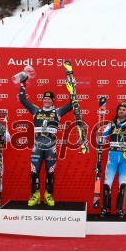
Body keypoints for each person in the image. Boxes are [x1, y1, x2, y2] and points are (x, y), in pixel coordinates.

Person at [18, 76, 73, 207]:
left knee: (50, 172)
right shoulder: (36, 110)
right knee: (34, 172)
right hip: (37, 146)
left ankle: (48, 195)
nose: (46, 101)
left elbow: (72, 105)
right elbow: (22, 99)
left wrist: (71, 89)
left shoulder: (57, 111)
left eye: (49, 99)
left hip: (51, 147)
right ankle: (35, 195)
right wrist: (22, 84)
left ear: (53, 101)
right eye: (45, 99)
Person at [101, 102, 126, 217]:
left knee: (122, 182)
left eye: (123, 110)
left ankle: (120, 209)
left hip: (125, 157)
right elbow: (101, 139)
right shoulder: (111, 125)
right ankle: (105, 208)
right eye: (120, 109)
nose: (121, 111)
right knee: (108, 181)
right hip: (112, 155)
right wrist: (100, 136)